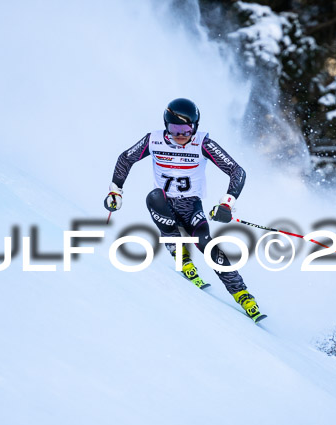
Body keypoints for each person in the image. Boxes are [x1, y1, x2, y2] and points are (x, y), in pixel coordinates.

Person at [104, 98, 265, 323]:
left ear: (195, 127)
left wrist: (227, 202)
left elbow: (237, 171)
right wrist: (115, 191)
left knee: (205, 241)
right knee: (154, 198)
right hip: (164, 202)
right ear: (166, 126)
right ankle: (180, 256)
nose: (180, 135)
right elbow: (125, 159)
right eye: (174, 129)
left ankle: (242, 294)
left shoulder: (203, 143)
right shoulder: (154, 140)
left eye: (186, 129)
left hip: (191, 205)